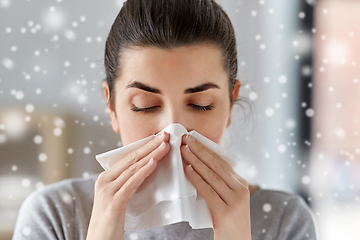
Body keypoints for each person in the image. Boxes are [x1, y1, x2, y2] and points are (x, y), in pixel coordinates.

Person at [12, 0, 318, 239]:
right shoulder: (56, 214)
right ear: (112, 107)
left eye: (201, 105)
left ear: (231, 103)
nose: (173, 131)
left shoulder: (282, 219)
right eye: (145, 106)